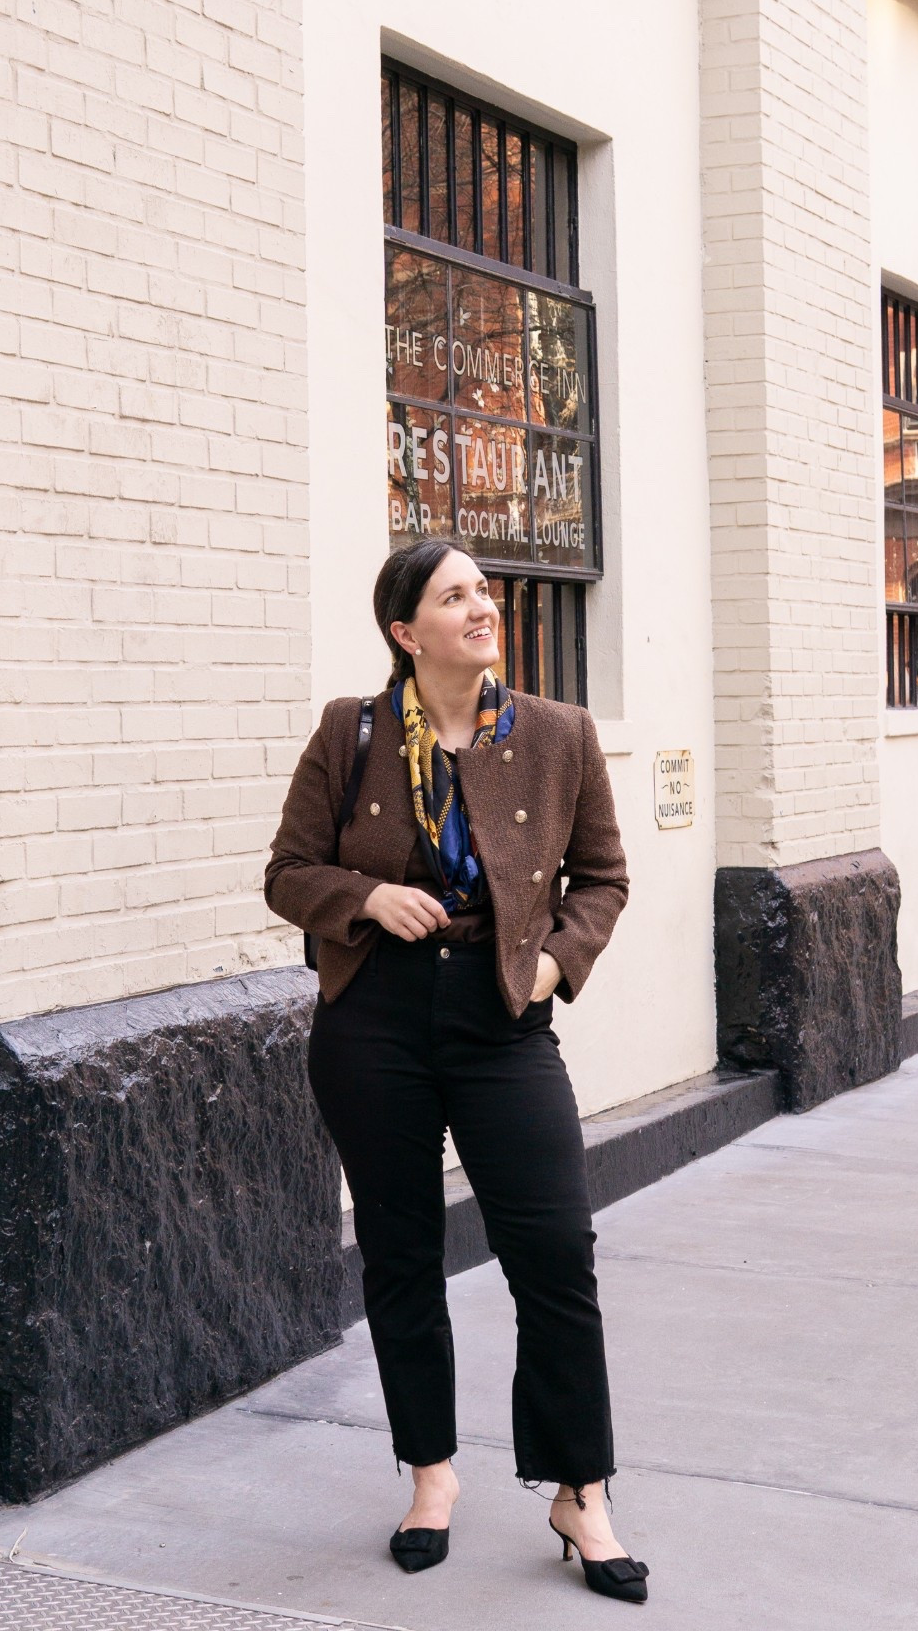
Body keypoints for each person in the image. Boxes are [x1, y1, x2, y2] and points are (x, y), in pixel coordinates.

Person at [265, 538, 647, 1603]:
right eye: (456, 594)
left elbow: (604, 876)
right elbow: (287, 871)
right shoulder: (355, 732)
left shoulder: (559, 734)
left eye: (484, 588)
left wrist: (554, 965)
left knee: (556, 1250)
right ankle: (431, 1473)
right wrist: (364, 897)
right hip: (374, 1019)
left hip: (501, 1019)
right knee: (401, 1254)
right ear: (406, 631)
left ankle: (582, 1488)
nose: (483, 604)